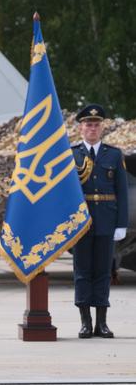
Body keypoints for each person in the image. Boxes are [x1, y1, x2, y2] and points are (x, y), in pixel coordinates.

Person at [71, 104, 128, 338]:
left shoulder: (113, 155)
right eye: (88, 124)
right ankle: (85, 322)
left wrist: (121, 223)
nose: (92, 128)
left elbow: (121, 191)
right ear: (81, 128)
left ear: (101, 127)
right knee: (83, 271)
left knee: (104, 271)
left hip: (106, 219)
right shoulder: (71, 154)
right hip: (81, 222)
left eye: (96, 125)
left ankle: (101, 324)